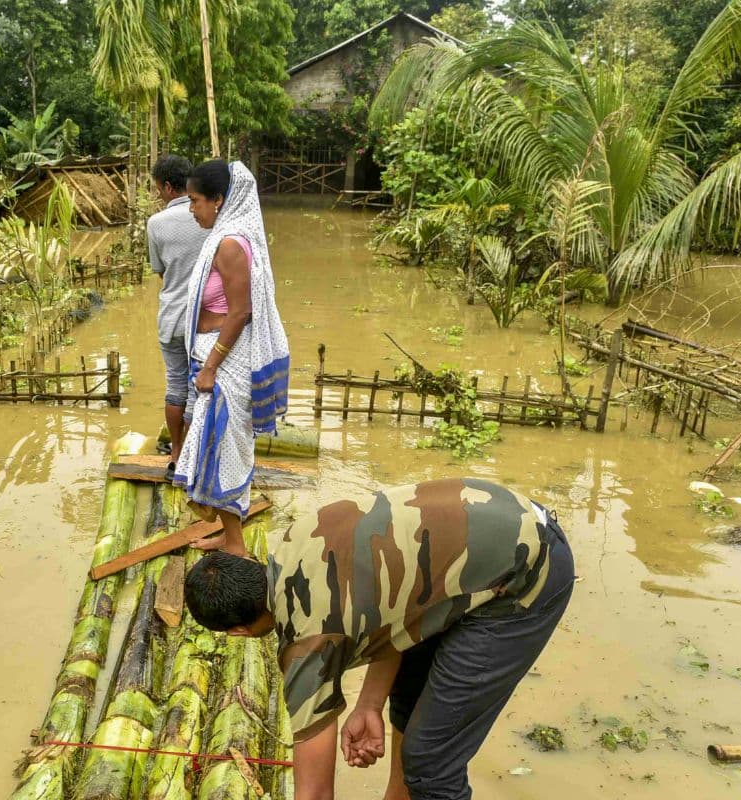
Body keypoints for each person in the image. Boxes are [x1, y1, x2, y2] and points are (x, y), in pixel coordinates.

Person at [183, 478, 576, 800]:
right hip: (508, 515)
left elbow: (315, 793)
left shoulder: (307, 647)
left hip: (526, 578)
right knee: (408, 699)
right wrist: (369, 704)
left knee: (431, 763)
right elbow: (393, 609)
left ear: (237, 632)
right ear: (249, 561)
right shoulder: (296, 537)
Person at [173, 159, 289, 557]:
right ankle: (229, 532)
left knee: (225, 447)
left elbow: (240, 311)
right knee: (222, 445)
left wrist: (210, 366)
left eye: (196, 201)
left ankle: (236, 545)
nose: (191, 209)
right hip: (217, 357)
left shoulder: (230, 244)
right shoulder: (224, 237)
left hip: (226, 362)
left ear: (219, 200)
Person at [148, 155, 210, 479]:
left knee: (175, 385)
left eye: (159, 189)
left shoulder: (156, 224)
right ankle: (194, 454)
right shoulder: (212, 215)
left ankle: (175, 452)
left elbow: (160, 272)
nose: (159, 194)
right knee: (200, 386)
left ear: (169, 187)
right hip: (206, 320)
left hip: (172, 318)